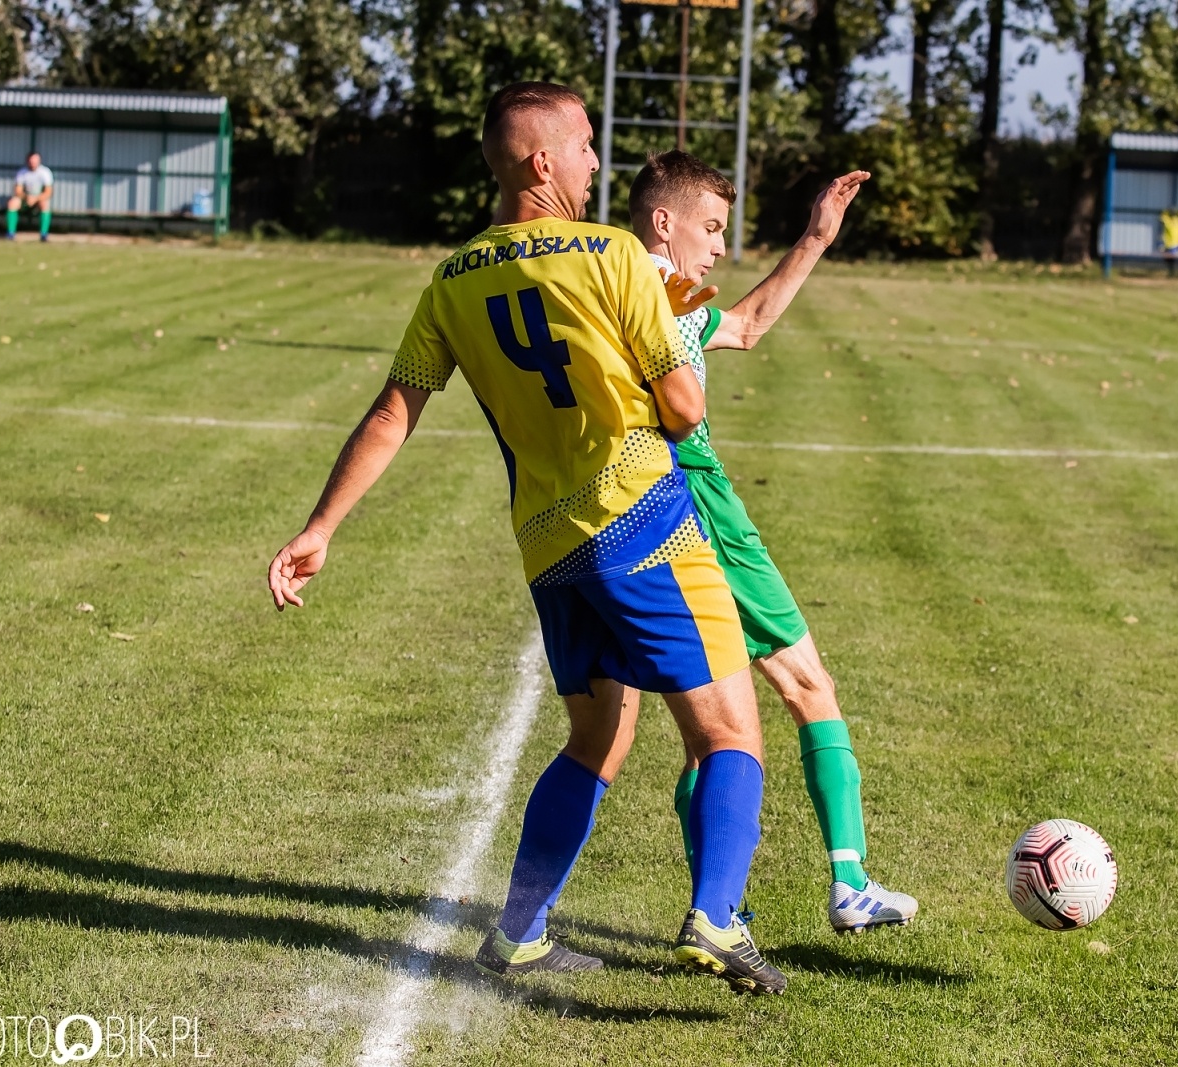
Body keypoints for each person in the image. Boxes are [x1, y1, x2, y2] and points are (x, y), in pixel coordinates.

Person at [266, 82, 787, 995]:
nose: (595, 161)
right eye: (585, 145)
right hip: (646, 523)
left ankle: (517, 931)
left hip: (551, 548)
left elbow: (395, 411)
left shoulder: (453, 280)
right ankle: (715, 915)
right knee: (730, 733)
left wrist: (320, 528)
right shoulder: (617, 255)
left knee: (597, 735)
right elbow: (684, 402)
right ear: (542, 162)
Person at [627, 150, 920, 934]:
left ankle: (722, 911)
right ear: (664, 221)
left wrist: (817, 238)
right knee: (806, 685)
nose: (721, 245)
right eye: (712, 227)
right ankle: (848, 880)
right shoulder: (648, 285)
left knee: (699, 738)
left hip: (636, 508)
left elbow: (749, 325)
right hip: (698, 497)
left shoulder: (636, 287)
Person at [7, 152, 53, 242]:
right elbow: (18, 191)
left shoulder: (45, 172)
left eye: (35, 160)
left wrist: (35, 198)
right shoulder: (22, 172)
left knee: (45, 204)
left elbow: (48, 192)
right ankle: (10, 233)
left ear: (39, 161)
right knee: (12, 203)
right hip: (25, 199)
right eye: (31, 160)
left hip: (38, 199)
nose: (32, 163)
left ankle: (44, 234)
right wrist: (27, 197)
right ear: (27, 161)